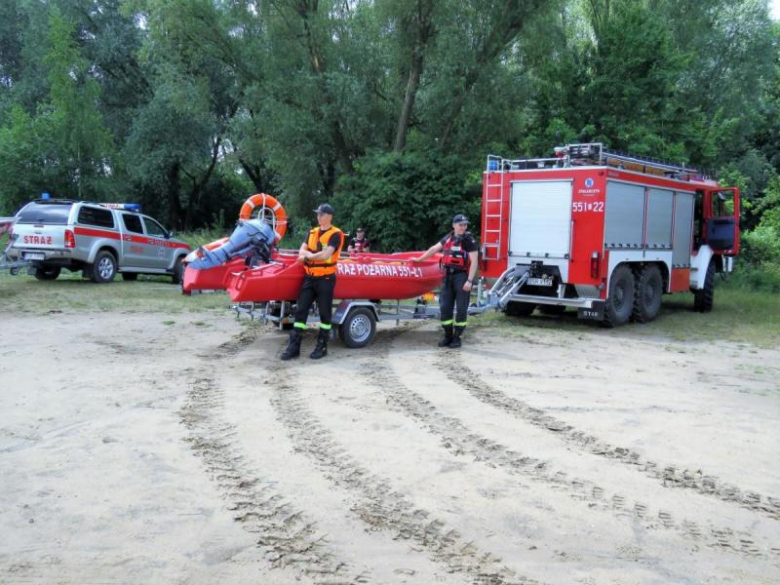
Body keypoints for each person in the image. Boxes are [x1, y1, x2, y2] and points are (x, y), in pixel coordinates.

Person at [280, 203, 344, 361]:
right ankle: (293, 348)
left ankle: (322, 347)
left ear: (329, 216)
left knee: (325, 314)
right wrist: (309, 254)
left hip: (326, 279)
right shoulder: (312, 232)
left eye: (321, 214)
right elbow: (301, 250)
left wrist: (307, 257)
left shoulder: (336, 234)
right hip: (309, 278)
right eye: (317, 214)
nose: (318, 217)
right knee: (300, 311)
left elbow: (326, 255)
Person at [413, 214, 478, 348]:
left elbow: (474, 262)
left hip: (462, 277)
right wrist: (419, 259)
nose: (463, 227)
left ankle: (457, 337)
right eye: (461, 224)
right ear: (454, 225)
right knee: (445, 308)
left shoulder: (469, 240)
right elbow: (433, 249)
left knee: (461, 309)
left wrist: (470, 281)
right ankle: (448, 336)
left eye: (465, 225)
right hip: (447, 277)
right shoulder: (448, 237)